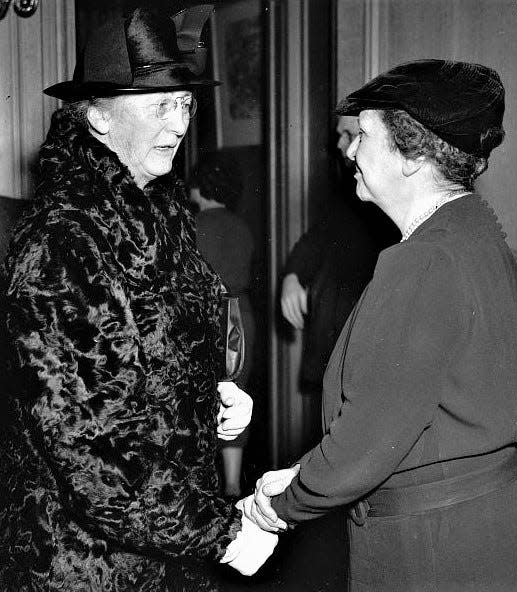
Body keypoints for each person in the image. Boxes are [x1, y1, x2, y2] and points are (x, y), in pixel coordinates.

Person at [243, 59, 517, 591]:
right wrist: (304, 471)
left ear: (412, 157)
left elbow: (366, 443)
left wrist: (277, 505)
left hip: (441, 550)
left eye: (364, 136)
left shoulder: (422, 263)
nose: (349, 151)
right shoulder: (470, 228)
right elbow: (412, 411)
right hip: (493, 526)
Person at [0, 7, 277, 591]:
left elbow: (152, 358)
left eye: (185, 104)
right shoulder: (61, 244)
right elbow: (91, 446)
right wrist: (223, 534)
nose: (179, 124)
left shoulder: (161, 209)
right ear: (98, 117)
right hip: (87, 564)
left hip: (164, 551)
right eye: (159, 106)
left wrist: (212, 398)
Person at [281, 116, 400, 393]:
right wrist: (292, 276)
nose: (340, 145)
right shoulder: (348, 188)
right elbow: (316, 239)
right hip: (330, 344)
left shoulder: (388, 198)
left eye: (348, 134)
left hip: (362, 354)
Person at [189, 152, 256, 499]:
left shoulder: (195, 225)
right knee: (235, 396)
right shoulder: (242, 226)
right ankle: (232, 483)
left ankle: (202, 487)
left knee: (201, 398)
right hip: (241, 314)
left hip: (207, 314)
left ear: (199, 187)